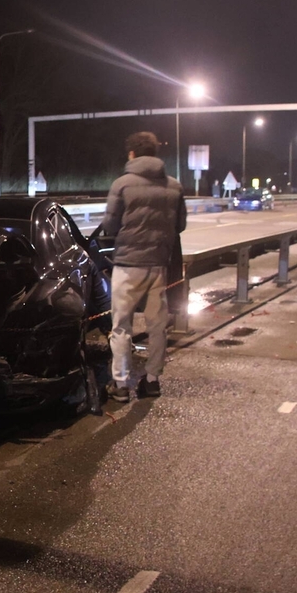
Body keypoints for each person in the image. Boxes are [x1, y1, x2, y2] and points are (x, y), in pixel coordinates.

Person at [101, 132, 187, 401]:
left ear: (131, 154)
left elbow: (110, 226)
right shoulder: (173, 186)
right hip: (159, 265)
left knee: (121, 326)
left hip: (127, 265)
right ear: (155, 154)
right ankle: (151, 381)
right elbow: (180, 225)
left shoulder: (122, 184)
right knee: (157, 325)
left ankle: (122, 384)